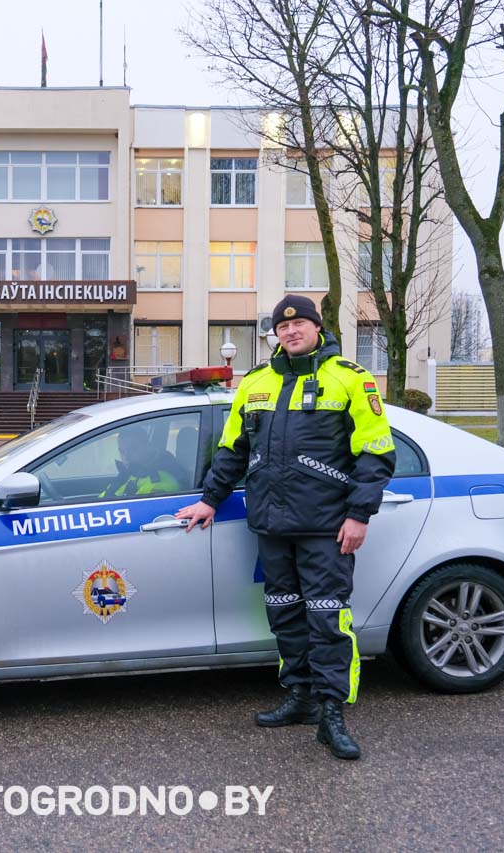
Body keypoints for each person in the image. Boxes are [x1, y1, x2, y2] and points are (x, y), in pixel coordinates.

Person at [176, 294, 396, 760]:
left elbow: (376, 453)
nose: (291, 332)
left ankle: (333, 713)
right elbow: (232, 449)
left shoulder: (350, 379)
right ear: (275, 334)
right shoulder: (255, 383)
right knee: (285, 615)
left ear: (317, 328)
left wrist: (359, 514)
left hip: (327, 527)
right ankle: (300, 699)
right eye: (282, 327)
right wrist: (209, 501)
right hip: (271, 526)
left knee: (329, 621)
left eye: (300, 325)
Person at [100, 426, 186, 498]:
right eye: (122, 451)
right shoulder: (130, 473)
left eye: (133, 449)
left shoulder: (160, 481)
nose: (126, 456)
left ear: (147, 447)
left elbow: (134, 510)